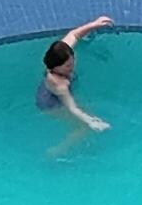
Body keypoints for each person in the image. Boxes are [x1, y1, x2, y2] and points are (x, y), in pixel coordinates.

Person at [36, 15, 115, 147]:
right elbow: (72, 108)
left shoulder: (59, 53)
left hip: (49, 89)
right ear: (56, 66)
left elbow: (74, 35)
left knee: (88, 113)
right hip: (50, 104)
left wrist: (94, 24)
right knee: (83, 128)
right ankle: (54, 154)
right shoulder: (60, 84)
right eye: (67, 66)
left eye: (72, 61)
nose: (72, 66)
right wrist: (90, 122)